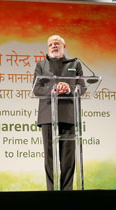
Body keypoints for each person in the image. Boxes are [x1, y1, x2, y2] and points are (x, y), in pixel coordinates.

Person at [32, 35, 83, 191]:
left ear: (64, 46)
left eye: (56, 43)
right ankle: (51, 191)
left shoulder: (75, 64)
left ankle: (67, 191)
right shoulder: (41, 65)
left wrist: (69, 88)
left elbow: (82, 87)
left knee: (68, 157)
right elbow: (36, 89)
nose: (53, 46)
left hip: (69, 115)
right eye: (50, 44)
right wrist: (54, 89)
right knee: (50, 157)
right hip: (48, 116)